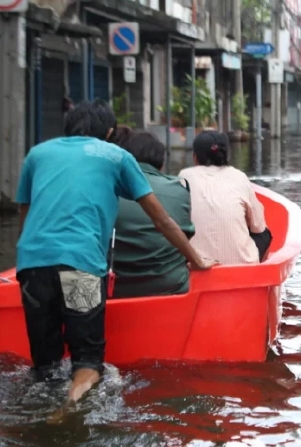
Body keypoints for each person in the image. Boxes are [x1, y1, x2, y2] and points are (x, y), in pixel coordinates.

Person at [14, 100, 214, 405]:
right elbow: (161, 219)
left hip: (32, 266)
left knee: (45, 366)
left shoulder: (37, 154)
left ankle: (42, 413)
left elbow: (24, 218)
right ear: (109, 131)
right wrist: (196, 259)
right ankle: (69, 409)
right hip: (80, 267)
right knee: (88, 363)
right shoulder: (116, 156)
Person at [108, 127, 195, 298]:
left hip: (115, 289)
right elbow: (186, 237)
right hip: (170, 287)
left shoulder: (105, 188)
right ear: (161, 164)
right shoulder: (180, 188)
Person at [177, 131, 270, 265]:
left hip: (195, 264)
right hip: (242, 266)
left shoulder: (184, 176)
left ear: (195, 157)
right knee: (265, 234)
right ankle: (260, 272)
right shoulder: (239, 177)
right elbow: (258, 227)